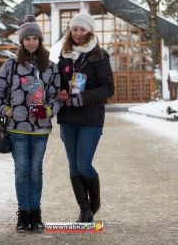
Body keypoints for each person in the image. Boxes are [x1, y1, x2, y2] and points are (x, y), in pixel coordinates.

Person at [0, 15, 60, 232]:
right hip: (16, 129)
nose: (31, 42)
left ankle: (36, 214)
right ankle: (23, 214)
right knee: (22, 171)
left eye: (35, 38)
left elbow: (58, 96)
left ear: (40, 41)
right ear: (21, 41)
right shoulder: (10, 66)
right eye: (27, 38)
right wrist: (7, 110)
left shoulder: (51, 67)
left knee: (35, 171)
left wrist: (49, 110)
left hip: (39, 129)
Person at [57, 13, 114, 222]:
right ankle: (84, 209)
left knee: (84, 165)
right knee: (73, 166)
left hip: (90, 117)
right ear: (70, 32)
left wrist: (83, 97)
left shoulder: (99, 55)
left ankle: (94, 203)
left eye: (82, 29)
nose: (78, 34)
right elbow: (60, 82)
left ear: (90, 31)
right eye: (74, 29)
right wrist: (61, 92)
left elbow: (109, 88)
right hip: (68, 116)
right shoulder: (65, 54)